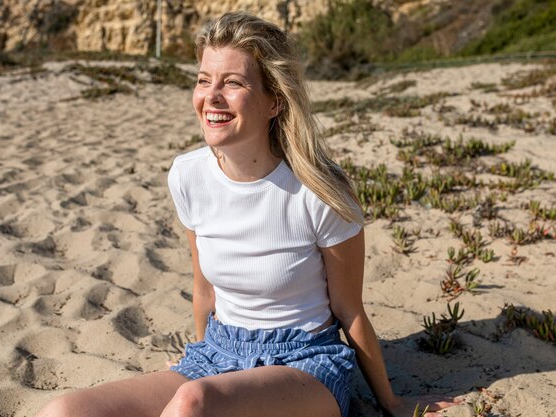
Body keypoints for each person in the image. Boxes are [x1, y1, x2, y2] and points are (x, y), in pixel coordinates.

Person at [35, 12, 461, 417]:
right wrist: (204, 363)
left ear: (274, 101)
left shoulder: (320, 191)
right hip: (220, 352)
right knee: (65, 410)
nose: (211, 97)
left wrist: (391, 402)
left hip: (306, 364)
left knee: (192, 404)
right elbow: (204, 293)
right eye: (204, 80)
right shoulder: (188, 175)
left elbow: (349, 310)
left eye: (233, 83)